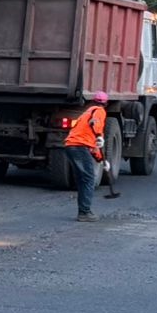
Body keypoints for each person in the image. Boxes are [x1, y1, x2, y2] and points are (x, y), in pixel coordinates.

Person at [63, 91, 109, 222]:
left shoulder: (87, 112)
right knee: (89, 179)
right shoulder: (99, 111)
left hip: (71, 146)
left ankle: (83, 210)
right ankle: (84, 212)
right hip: (79, 147)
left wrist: (101, 160)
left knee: (83, 180)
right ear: (106, 103)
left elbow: (93, 146)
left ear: (93, 100)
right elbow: (96, 124)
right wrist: (99, 135)